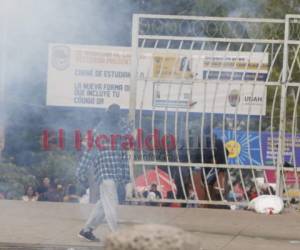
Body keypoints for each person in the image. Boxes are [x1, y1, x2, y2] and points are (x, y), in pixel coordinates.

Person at [76, 103, 131, 242]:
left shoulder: (108, 131)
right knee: (111, 203)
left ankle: (86, 230)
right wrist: (80, 171)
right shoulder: (114, 130)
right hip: (108, 174)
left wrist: (80, 171)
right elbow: (90, 153)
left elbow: (90, 154)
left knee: (104, 204)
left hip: (109, 174)